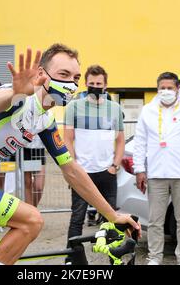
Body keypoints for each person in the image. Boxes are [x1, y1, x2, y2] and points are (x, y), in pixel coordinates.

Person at [0, 44, 140, 265]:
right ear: (42, 74)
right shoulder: (19, 99)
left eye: (75, 78)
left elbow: (71, 170)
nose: (71, 83)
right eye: (64, 74)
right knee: (31, 221)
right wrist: (16, 91)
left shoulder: (45, 120)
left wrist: (113, 215)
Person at [133, 72, 180, 265]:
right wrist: (139, 169)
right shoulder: (147, 111)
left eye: (169, 88)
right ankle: (155, 257)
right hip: (156, 174)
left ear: (177, 89)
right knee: (155, 220)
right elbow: (140, 142)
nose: (165, 91)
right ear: (157, 89)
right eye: (162, 88)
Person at [64, 64, 124, 251]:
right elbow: (67, 138)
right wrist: (73, 166)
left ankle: (113, 257)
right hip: (83, 173)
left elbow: (120, 140)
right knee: (77, 218)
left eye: (99, 83)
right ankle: (71, 259)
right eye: (92, 83)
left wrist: (115, 165)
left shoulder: (114, 108)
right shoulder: (74, 106)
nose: (95, 86)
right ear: (85, 83)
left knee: (110, 219)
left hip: (107, 172)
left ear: (105, 85)